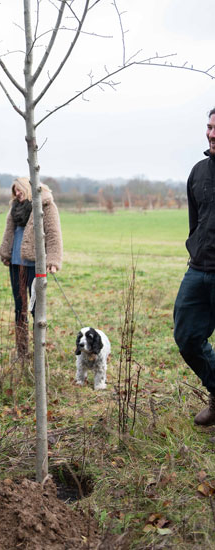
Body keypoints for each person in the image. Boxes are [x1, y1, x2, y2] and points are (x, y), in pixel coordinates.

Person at [174, 107, 215, 426]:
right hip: (198, 269)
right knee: (187, 336)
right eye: (209, 127)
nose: (211, 134)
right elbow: (195, 222)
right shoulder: (198, 171)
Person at [0, 178, 62, 360]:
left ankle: (39, 352)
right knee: (20, 308)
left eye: (20, 190)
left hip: (35, 265)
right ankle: (22, 351)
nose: (17, 194)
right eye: (15, 191)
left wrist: (54, 260)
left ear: (28, 188)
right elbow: (9, 232)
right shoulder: (14, 208)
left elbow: (53, 234)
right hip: (16, 264)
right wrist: (5, 252)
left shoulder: (46, 206)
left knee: (36, 309)